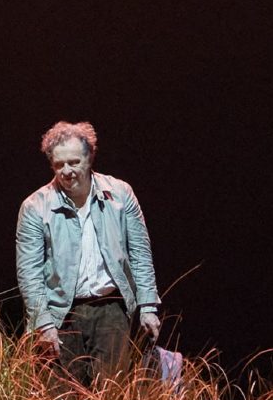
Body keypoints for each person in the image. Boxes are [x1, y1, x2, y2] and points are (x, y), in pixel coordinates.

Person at [14, 121, 162, 384]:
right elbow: (30, 273)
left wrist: (148, 305)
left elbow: (140, 252)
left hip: (110, 309)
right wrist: (43, 324)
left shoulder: (119, 194)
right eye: (59, 164)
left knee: (112, 396)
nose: (67, 171)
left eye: (74, 162)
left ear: (89, 157)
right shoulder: (35, 207)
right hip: (61, 313)